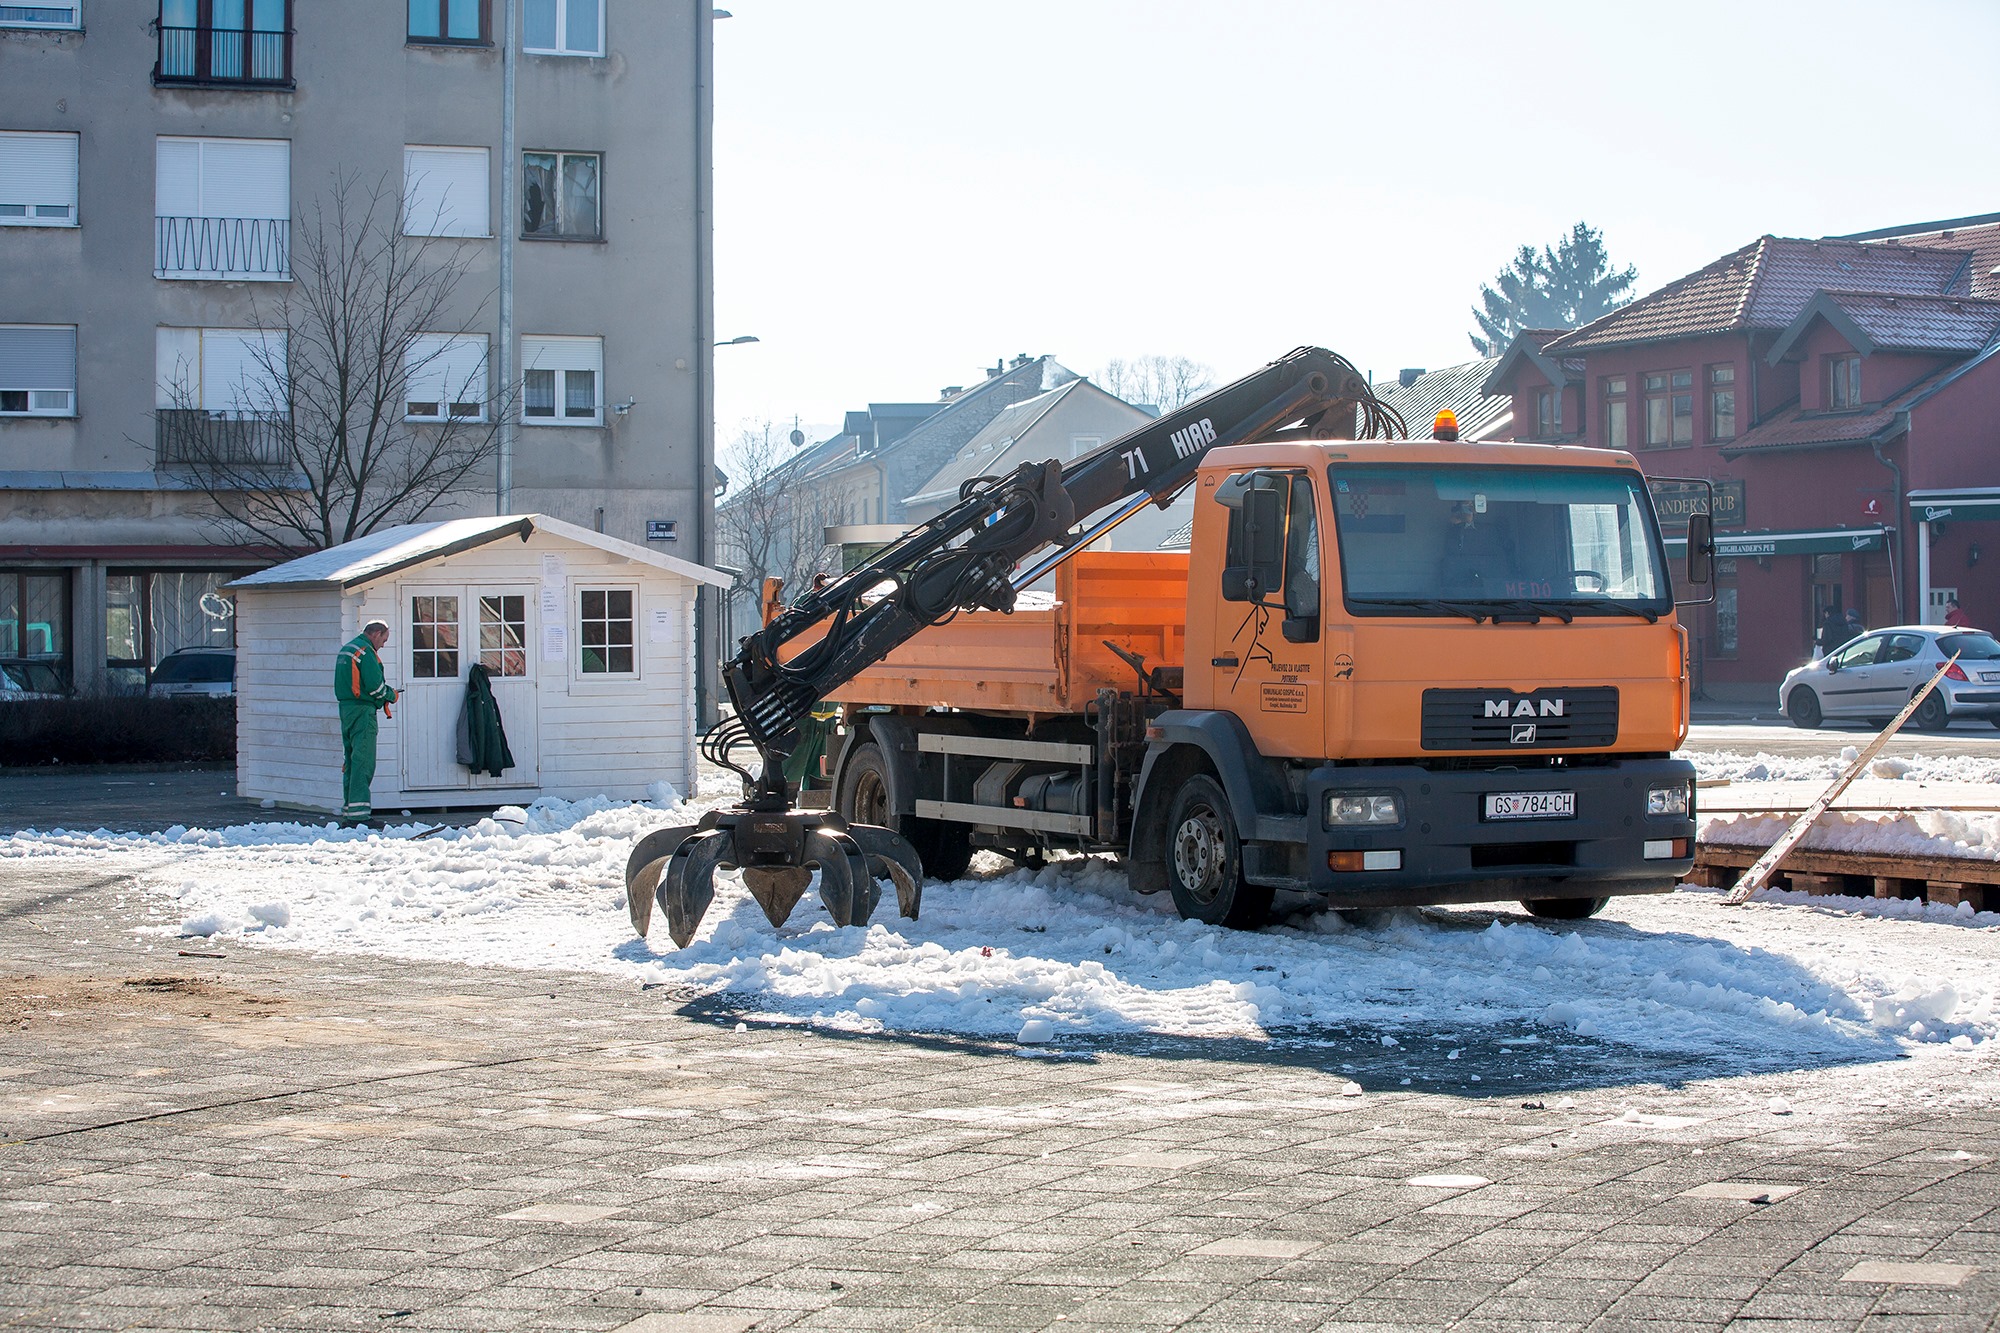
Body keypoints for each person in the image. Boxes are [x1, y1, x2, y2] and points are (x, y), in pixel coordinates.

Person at [334, 620, 398, 825]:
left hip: (346, 709)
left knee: (351, 760)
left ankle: (350, 810)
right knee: (364, 760)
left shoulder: (347, 649)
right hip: (363, 712)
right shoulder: (366, 653)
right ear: (376, 634)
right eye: (384, 639)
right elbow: (375, 687)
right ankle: (360, 816)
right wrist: (390, 695)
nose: (384, 645)